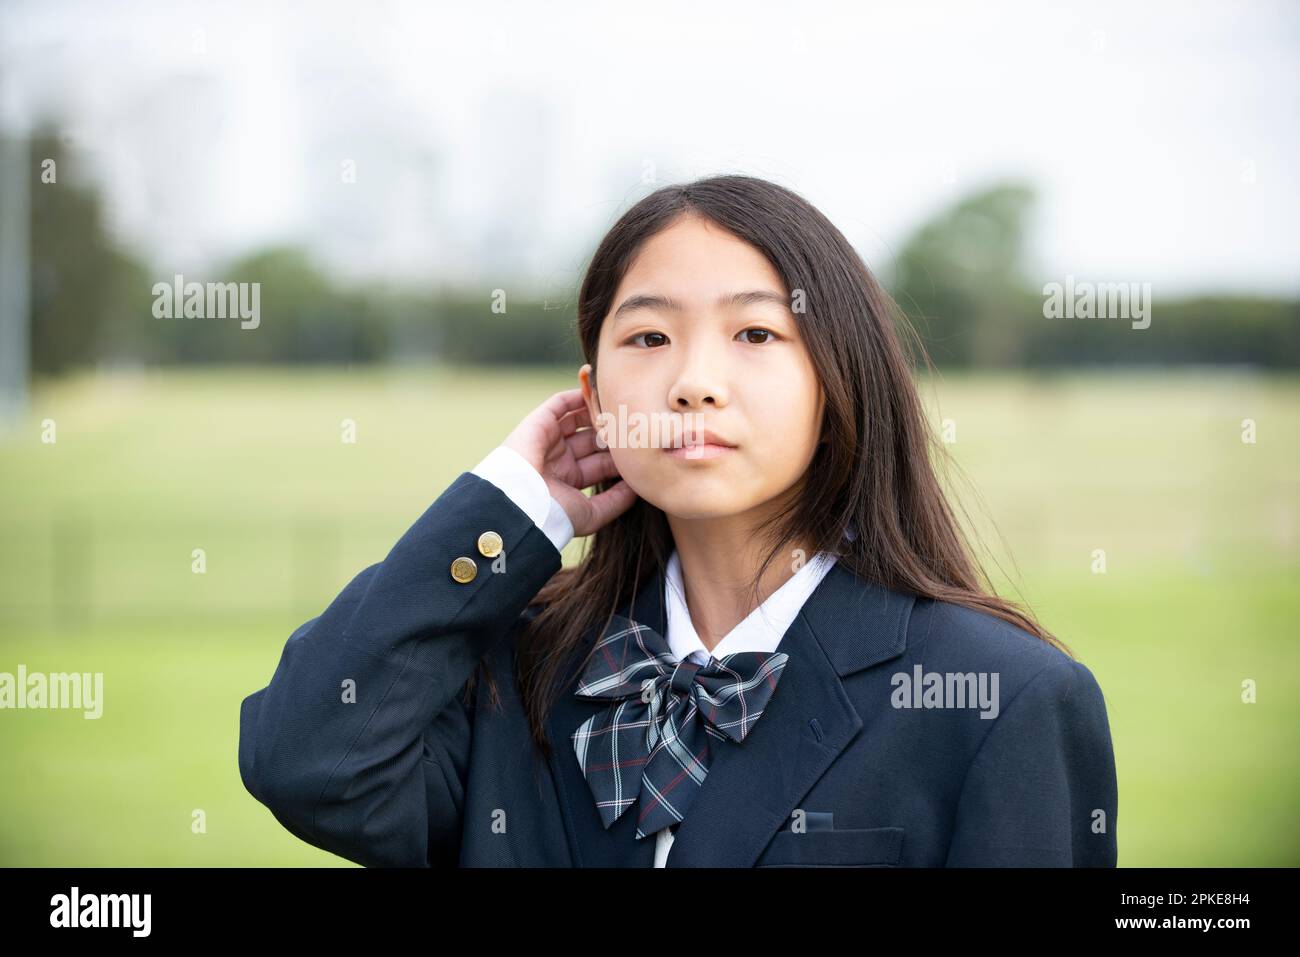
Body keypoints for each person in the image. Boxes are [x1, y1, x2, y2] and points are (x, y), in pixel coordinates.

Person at [238, 174, 1118, 867]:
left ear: (838, 383)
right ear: (593, 396)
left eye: (757, 335)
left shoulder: (1005, 699)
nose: (694, 380)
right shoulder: (517, 671)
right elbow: (308, 759)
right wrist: (512, 506)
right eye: (648, 339)